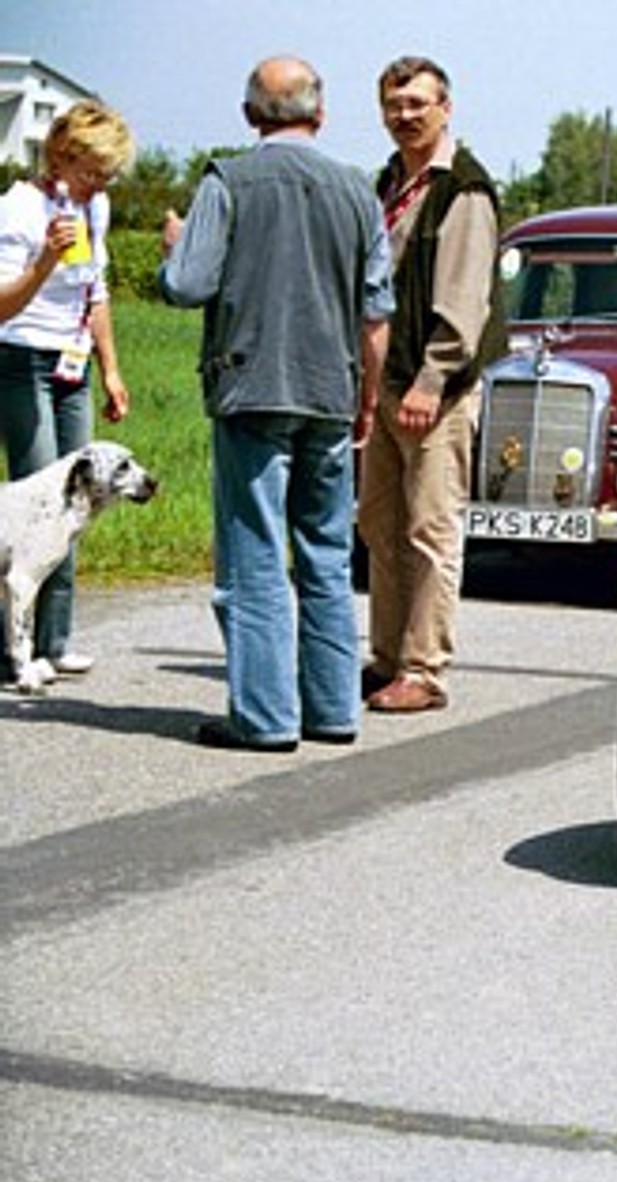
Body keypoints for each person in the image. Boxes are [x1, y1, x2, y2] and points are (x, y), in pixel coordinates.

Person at [158, 56, 392, 752]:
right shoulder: (357, 190)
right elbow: (376, 312)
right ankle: (332, 709)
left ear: (249, 115)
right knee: (324, 554)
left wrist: (177, 248)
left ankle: (263, 717)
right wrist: (368, 397)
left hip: (251, 384)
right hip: (331, 388)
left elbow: (185, 284)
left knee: (256, 554)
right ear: (319, 115)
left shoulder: (227, 180)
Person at [356, 55, 505, 715]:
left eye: (418, 104)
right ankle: (386, 658)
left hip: (432, 387)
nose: (405, 116)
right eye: (395, 104)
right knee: (379, 526)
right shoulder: (390, 181)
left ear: (446, 107)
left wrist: (431, 379)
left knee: (430, 530)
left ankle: (425, 668)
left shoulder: (462, 189)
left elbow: (465, 299)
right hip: (385, 383)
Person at [0, 100, 135, 684]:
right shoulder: (19, 208)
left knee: (80, 504)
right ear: (63, 154)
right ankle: (15, 651)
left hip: (72, 362)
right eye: (91, 173)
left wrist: (110, 368)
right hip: (21, 357)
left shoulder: (95, 208)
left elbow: (96, 290)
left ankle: (54, 640)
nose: (98, 186)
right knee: (41, 507)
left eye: (106, 176)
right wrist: (46, 262)